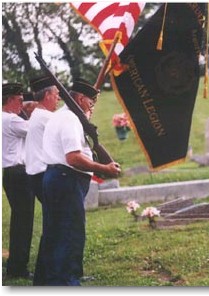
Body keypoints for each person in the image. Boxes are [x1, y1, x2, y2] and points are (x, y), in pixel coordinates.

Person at [38, 78, 121, 286]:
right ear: (81, 99)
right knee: (69, 235)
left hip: (57, 179)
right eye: (91, 104)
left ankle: (48, 282)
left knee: (54, 234)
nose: (92, 108)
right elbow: (73, 157)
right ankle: (66, 283)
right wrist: (105, 169)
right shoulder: (70, 120)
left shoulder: (63, 117)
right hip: (66, 180)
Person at [24, 75, 61, 285]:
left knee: (53, 225)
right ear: (47, 95)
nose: (58, 99)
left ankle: (46, 276)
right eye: (56, 95)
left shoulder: (39, 115)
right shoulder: (46, 117)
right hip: (42, 176)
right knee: (54, 226)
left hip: (38, 175)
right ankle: (46, 277)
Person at [2, 82, 34, 279]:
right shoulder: (12, 120)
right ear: (10, 100)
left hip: (10, 173)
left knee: (19, 221)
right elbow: (36, 130)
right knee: (24, 222)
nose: (22, 104)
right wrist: (36, 111)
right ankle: (18, 268)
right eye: (20, 100)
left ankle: (15, 264)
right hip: (19, 173)